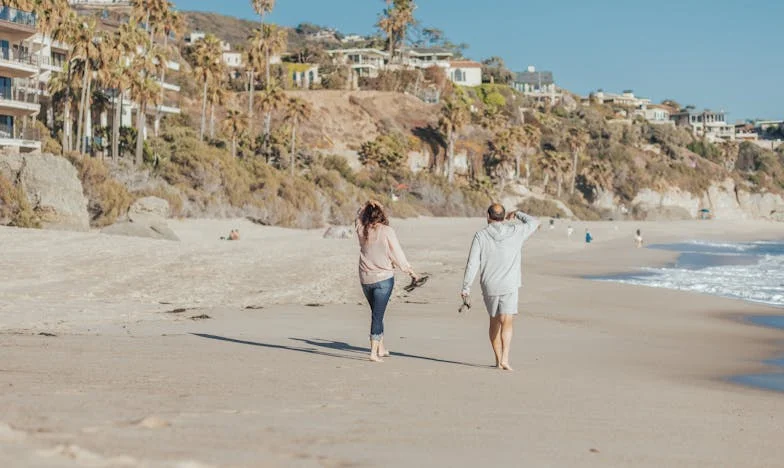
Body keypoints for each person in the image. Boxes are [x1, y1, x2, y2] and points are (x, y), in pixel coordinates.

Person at [461, 204, 540, 371]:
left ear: (487, 216)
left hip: (489, 285)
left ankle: (498, 360)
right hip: (510, 284)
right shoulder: (516, 231)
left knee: (494, 321)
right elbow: (534, 222)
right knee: (507, 321)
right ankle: (505, 358)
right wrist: (517, 213)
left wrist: (466, 287)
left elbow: (472, 263)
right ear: (504, 217)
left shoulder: (481, 235)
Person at [356, 200, 419, 363]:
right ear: (382, 215)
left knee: (377, 312)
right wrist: (409, 270)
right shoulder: (387, 231)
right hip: (383, 279)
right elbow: (397, 253)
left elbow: (358, 215)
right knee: (377, 315)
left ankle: (381, 348)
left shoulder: (361, 229)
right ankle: (373, 353)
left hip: (366, 279)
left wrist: (366, 204)